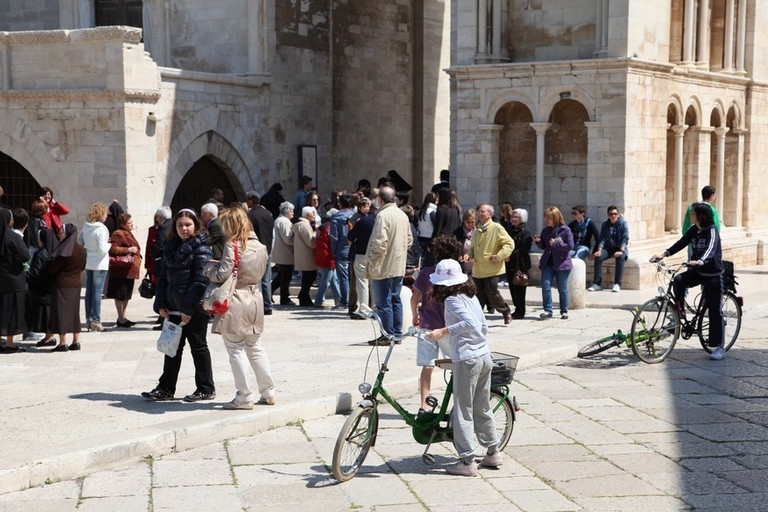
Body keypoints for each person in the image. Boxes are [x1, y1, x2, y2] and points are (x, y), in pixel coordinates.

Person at [425, 258, 502, 476]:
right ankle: (493, 451)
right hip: (484, 355)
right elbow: (482, 326)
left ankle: (467, 461)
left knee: (463, 410)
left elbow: (469, 323)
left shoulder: (451, 300)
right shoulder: (471, 296)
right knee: (482, 406)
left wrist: (443, 331)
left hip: (468, 359)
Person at [205, 207, 276, 408]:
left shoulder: (232, 245)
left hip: (235, 299)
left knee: (235, 349)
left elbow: (222, 274)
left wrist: (209, 268)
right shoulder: (260, 246)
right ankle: (268, 391)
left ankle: (244, 396)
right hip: (255, 298)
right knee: (255, 347)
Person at [142, 209, 215, 402]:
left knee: (198, 347)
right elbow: (164, 277)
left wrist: (187, 309)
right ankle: (166, 388)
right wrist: (160, 304)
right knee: (171, 348)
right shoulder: (171, 247)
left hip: (194, 308)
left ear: (196, 226)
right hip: (174, 307)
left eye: (188, 225)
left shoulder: (202, 247)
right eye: (180, 225)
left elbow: (201, 281)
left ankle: (206, 387)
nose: (184, 228)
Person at [652, 202, 725, 360]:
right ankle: (680, 311)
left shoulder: (712, 231)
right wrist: (663, 254)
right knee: (678, 280)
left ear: (700, 216)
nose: (690, 215)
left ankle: (719, 346)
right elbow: (681, 243)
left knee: (714, 310)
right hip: (698, 271)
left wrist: (700, 261)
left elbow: (710, 250)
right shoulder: (694, 229)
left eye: (692, 213)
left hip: (712, 274)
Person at [410, 235, 462, 412]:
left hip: (427, 324)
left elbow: (414, 297)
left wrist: (414, 315)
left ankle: (424, 403)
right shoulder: (456, 274)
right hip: (447, 327)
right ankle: (458, 401)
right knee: (457, 363)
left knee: (427, 365)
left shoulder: (425, 273)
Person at [365, 186, 412, 344]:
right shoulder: (402, 215)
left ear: (380, 199)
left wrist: (372, 260)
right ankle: (397, 334)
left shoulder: (383, 215)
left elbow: (379, 242)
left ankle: (388, 335)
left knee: (384, 302)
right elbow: (409, 240)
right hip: (398, 265)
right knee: (395, 299)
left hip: (383, 266)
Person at [468, 203, 514, 324]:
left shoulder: (496, 228)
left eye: (483, 211)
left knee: (492, 293)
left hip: (492, 268)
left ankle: (505, 311)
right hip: (478, 269)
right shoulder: (478, 229)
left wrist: (499, 256)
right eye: (479, 211)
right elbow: (473, 247)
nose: (480, 214)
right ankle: (477, 317)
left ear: (490, 214)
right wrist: (469, 255)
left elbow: (509, 244)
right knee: (478, 295)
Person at [47, 224, 86, 352]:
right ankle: (76, 341)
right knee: (74, 313)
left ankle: (62, 342)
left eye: (61, 232)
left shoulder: (64, 250)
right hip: (75, 284)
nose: (59, 234)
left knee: (61, 313)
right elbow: (82, 267)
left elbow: (53, 269)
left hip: (62, 285)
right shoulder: (81, 249)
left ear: (67, 234)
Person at [534, 207, 574, 320]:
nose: (547, 221)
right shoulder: (545, 230)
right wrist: (539, 242)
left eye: (549, 218)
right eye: (545, 218)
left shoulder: (565, 230)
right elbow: (543, 246)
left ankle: (564, 310)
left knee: (562, 288)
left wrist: (556, 244)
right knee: (545, 286)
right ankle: (548, 310)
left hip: (562, 263)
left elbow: (570, 246)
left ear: (555, 218)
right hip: (548, 263)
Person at [0, 208, 30, 353]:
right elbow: (24, 255)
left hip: (2, 278)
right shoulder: (12, 236)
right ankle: (9, 343)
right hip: (13, 279)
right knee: (11, 311)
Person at [78, 202, 110, 332]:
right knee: (97, 292)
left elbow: (80, 242)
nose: (106, 216)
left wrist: (88, 250)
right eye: (105, 213)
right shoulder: (100, 229)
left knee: (89, 291)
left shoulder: (86, 227)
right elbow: (103, 249)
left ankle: (88, 319)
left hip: (89, 261)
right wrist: (110, 245)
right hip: (99, 262)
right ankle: (96, 320)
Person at [108, 213, 142, 328]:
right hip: (121, 270)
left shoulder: (128, 233)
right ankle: (120, 318)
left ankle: (123, 317)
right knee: (120, 294)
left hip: (129, 270)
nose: (132, 224)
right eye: (129, 223)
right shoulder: (118, 233)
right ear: (123, 224)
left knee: (126, 294)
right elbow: (113, 249)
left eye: (132, 222)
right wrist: (128, 249)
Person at [245, 191, 275, 315]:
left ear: (251, 201)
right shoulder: (268, 214)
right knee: (266, 279)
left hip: (255, 250)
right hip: (266, 250)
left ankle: (258, 305)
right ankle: (267, 306)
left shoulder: (250, 215)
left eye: (247, 200)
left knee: (256, 280)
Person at [588, 205, 630, 292]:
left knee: (620, 257)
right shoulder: (605, 224)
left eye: (615, 214)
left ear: (618, 215)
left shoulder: (623, 223)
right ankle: (597, 284)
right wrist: (599, 250)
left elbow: (625, 237)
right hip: (609, 248)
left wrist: (621, 250)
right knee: (598, 257)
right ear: (608, 215)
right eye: (611, 214)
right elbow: (602, 238)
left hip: (620, 248)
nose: (613, 216)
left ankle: (617, 284)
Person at [348, 198, 376, 320]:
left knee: (362, 283)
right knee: (374, 283)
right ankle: (376, 309)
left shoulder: (363, 221)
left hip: (362, 254)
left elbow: (350, 236)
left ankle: (364, 310)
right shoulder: (381, 221)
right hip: (377, 255)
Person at [506, 208, 533, 319]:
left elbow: (523, 249)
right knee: (512, 287)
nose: (513, 219)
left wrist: (509, 255)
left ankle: (520, 310)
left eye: (516, 217)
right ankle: (517, 308)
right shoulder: (510, 230)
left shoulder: (525, 232)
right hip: (510, 263)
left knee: (520, 287)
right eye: (512, 217)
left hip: (520, 264)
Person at [331, 193, 355, 309]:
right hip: (353, 249)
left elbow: (334, 237)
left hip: (341, 249)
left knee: (343, 278)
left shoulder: (336, 217)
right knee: (352, 277)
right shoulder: (354, 215)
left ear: (339, 203)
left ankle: (344, 301)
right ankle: (353, 301)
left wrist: (333, 250)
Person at [314, 209, 341, 307]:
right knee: (326, 281)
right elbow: (333, 243)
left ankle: (339, 300)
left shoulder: (321, 228)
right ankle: (319, 300)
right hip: (328, 257)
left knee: (333, 280)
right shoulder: (330, 228)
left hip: (322, 255)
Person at [271, 202, 295, 306]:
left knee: (281, 276)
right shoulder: (284, 222)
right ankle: (285, 298)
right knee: (286, 277)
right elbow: (288, 239)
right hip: (285, 253)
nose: (293, 213)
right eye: (292, 211)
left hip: (281, 252)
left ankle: (269, 291)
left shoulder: (279, 220)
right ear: (287, 211)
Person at [293, 206, 317, 307]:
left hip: (303, 255)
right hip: (306, 256)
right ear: (307, 215)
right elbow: (310, 242)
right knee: (309, 277)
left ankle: (303, 296)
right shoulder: (305, 226)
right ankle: (304, 297)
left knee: (308, 278)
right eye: (313, 213)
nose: (314, 215)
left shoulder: (302, 225)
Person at [416, 192, 437, 266]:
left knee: (422, 259)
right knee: (430, 260)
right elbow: (436, 225)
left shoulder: (421, 211)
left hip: (421, 237)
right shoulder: (432, 212)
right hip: (429, 238)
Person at [454, 208, 476, 275]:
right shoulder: (458, 232)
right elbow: (455, 247)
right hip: (462, 262)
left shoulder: (479, 231)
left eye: (472, 222)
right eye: (468, 222)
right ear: (464, 221)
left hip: (476, 263)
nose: (470, 224)